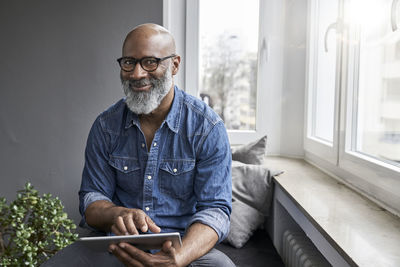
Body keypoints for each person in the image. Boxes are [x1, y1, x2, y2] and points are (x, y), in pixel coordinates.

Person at [41, 23, 234, 267]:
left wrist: (179, 258)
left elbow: (216, 210)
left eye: (150, 62)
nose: (137, 74)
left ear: (174, 65)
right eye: (129, 63)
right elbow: (91, 199)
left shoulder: (207, 128)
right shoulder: (105, 126)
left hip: (183, 247)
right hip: (117, 245)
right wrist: (115, 214)